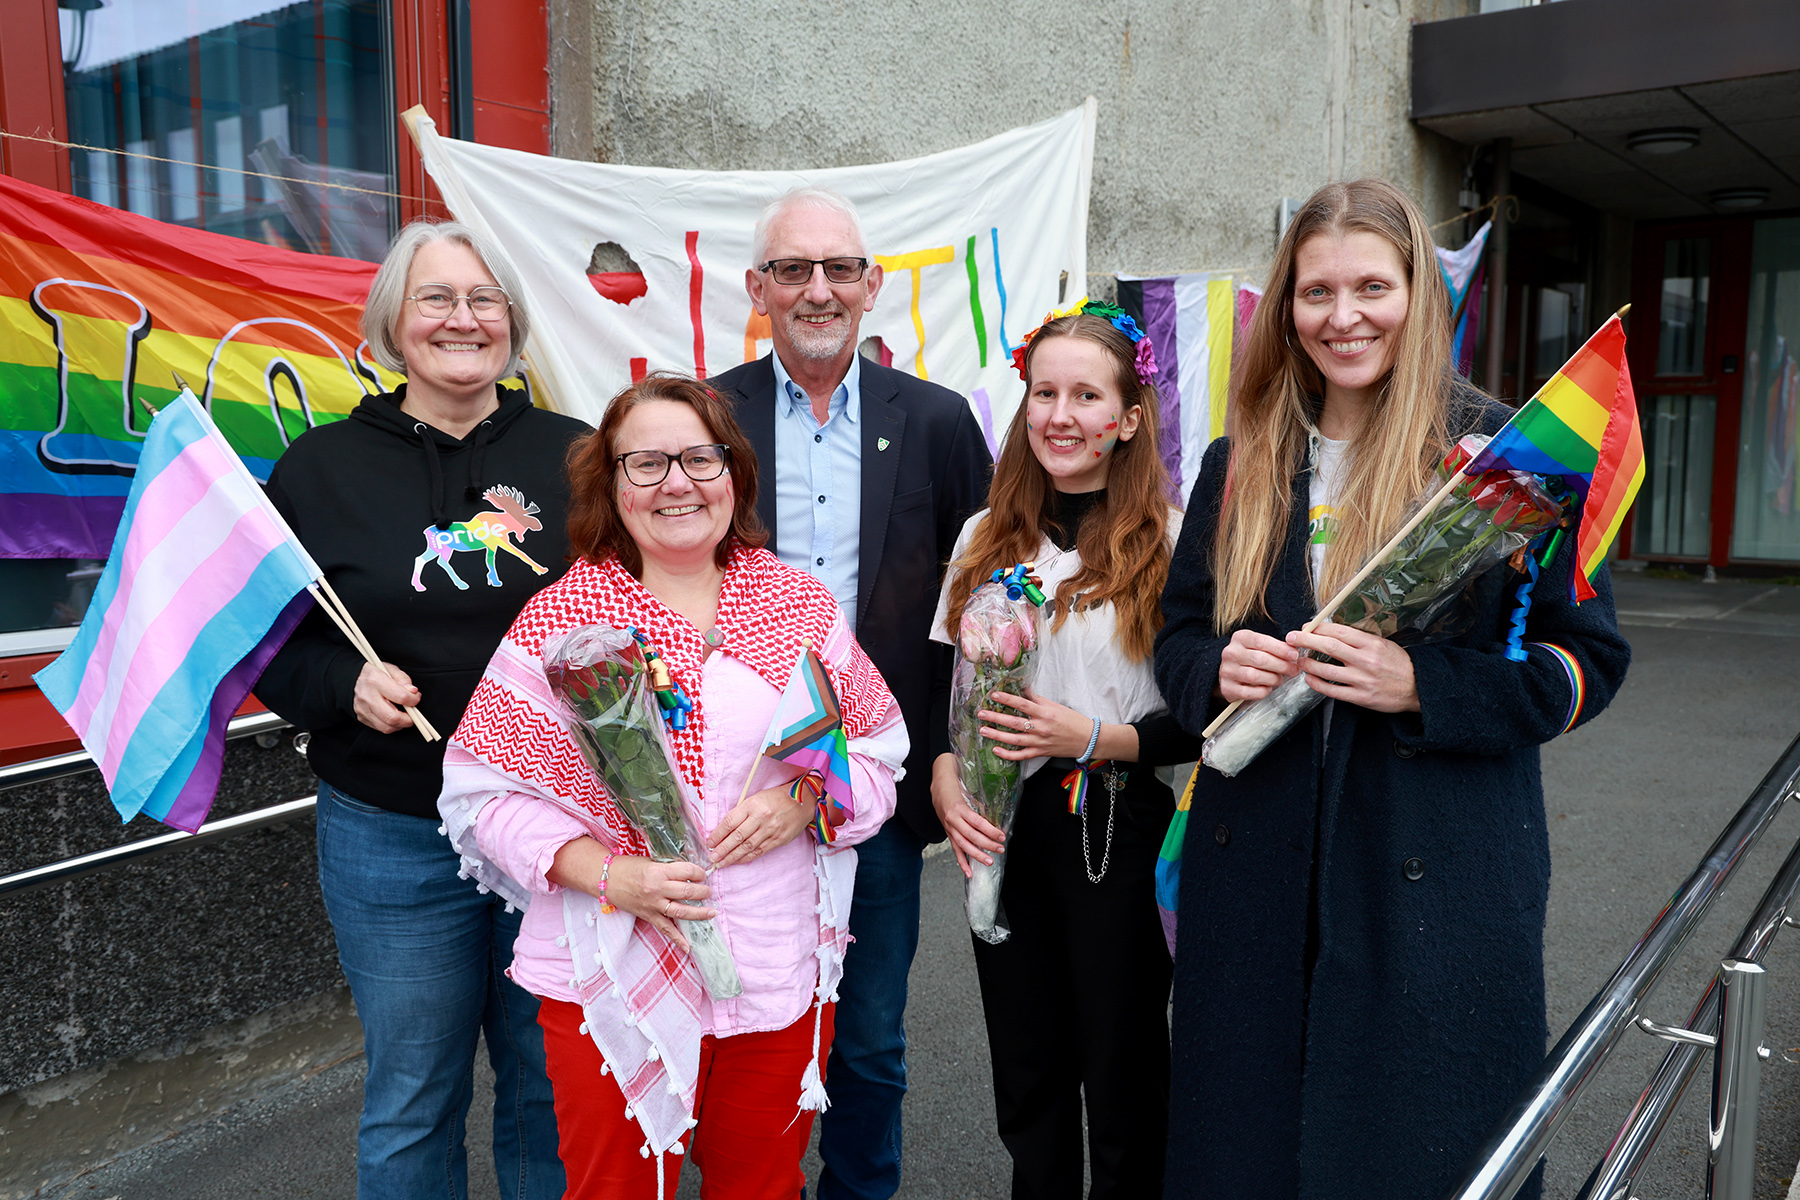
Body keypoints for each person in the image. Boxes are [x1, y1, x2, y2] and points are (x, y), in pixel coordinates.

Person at [1152, 179, 1632, 1200]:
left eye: (1372, 286)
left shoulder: (1507, 462)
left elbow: (1587, 661)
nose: (1344, 317)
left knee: (1420, 1158)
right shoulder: (1240, 462)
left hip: (1436, 874)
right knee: (1249, 1157)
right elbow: (1180, 635)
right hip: (1259, 881)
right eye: (1316, 292)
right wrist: (1212, 672)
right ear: (1287, 306)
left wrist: (1427, 684)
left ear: (1419, 294)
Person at [437, 373, 909, 1199]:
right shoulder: (562, 621)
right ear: (611, 486)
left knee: (760, 1185)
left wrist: (801, 803)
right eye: (647, 464)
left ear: (735, 473)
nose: (678, 483)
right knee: (613, 1189)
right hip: (615, 964)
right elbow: (484, 799)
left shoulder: (796, 603)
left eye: (700, 457)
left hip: (770, 966)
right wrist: (612, 875)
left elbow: (876, 755)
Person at [258, 220, 587, 1200]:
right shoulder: (318, 470)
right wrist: (341, 686)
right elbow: (274, 645)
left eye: (485, 299)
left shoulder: (577, 456)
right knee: (414, 1092)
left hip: (556, 826)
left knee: (551, 1087)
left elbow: (640, 609)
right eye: (436, 298)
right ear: (392, 324)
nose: (462, 318)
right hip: (395, 831)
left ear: (514, 325)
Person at [710, 186, 992, 1200]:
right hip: (732, 792)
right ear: (758, 290)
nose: (817, 289)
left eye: (838, 268)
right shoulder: (708, 415)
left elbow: (979, 607)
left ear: (873, 286)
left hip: (873, 788)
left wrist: (967, 762)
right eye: (792, 269)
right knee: (739, 1034)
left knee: (868, 1042)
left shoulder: (940, 423)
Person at [928, 305, 1198, 1198]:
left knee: (1121, 1075)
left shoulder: (1171, 536)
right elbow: (949, 695)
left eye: (1087, 394)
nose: (1061, 414)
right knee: (1027, 1071)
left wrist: (1085, 734)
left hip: (1114, 819)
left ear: (1128, 417)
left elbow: (1201, 716)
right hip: (1001, 825)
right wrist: (943, 780)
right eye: (1046, 392)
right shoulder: (982, 537)